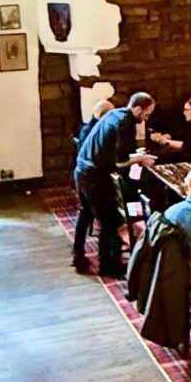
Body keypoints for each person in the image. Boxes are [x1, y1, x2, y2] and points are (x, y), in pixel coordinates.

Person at [74, 90, 155, 277]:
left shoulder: (114, 113)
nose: (145, 119)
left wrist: (134, 157)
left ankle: (78, 255)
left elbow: (117, 153)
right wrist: (139, 160)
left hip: (82, 168)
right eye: (146, 114)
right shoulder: (125, 123)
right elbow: (120, 162)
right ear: (136, 108)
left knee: (85, 212)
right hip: (95, 175)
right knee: (109, 220)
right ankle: (108, 265)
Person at [70, 97, 115, 269]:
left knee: (85, 214)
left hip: (81, 175)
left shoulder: (87, 128)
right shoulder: (95, 131)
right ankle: (106, 262)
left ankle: (78, 254)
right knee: (106, 217)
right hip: (91, 178)